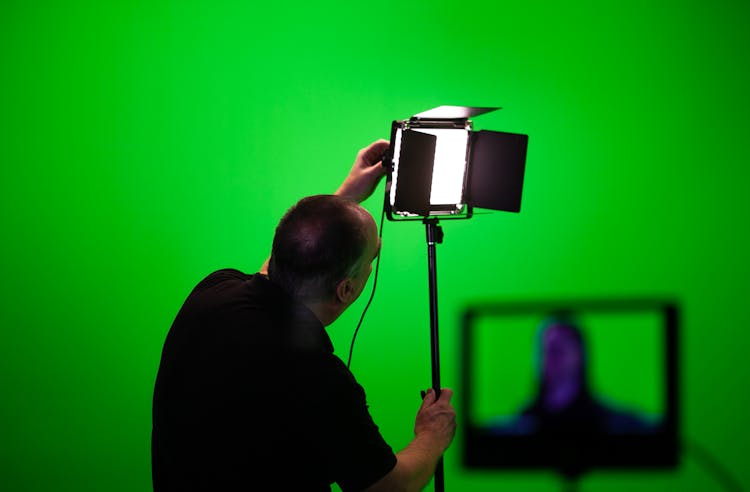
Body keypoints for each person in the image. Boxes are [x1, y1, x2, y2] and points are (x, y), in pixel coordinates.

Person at [151, 139, 456, 491]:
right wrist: (432, 435)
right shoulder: (318, 377)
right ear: (346, 289)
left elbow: (283, 262)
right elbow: (386, 486)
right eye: (373, 258)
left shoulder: (213, 293)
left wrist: (346, 197)